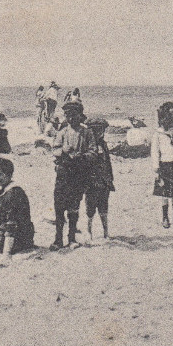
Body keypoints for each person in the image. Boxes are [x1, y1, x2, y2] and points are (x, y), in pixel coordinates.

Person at [51, 102, 93, 249]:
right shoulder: (62, 133)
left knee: (74, 207)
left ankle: (72, 238)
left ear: (80, 116)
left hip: (78, 174)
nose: (71, 118)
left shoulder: (87, 133)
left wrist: (81, 156)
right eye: (68, 115)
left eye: (74, 115)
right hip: (63, 173)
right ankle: (58, 239)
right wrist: (63, 150)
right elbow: (54, 150)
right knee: (59, 206)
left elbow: (93, 152)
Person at [150, 101, 173, 228]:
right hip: (165, 165)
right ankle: (165, 217)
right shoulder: (158, 133)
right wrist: (156, 167)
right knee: (165, 192)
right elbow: (155, 151)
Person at [84, 118, 114, 240]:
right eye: (97, 130)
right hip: (91, 181)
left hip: (104, 180)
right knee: (90, 209)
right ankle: (89, 231)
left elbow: (108, 162)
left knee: (104, 207)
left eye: (101, 130)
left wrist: (110, 178)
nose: (100, 133)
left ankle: (105, 231)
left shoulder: (103, 144)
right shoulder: (86, 146)